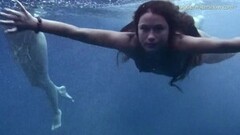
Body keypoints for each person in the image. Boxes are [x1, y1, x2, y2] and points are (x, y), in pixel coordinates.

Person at [0, 0, 238, 91]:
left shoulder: (183, 43)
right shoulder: (129, 41)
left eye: (159, 29)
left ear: (170, 31)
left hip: (191, 57)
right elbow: (79, 32)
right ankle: (195, 19)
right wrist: (36, 23)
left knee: (221, 53)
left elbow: (227, 44)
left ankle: (197, 21)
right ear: (136, 29)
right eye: (145, 28)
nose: (151, 36)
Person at [2, 18, 74, 130]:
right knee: (34, 82)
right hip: (18, 44)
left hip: (33, 39)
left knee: (44, 79)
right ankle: (58, 89)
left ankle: (56, 112)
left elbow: (30, 19)